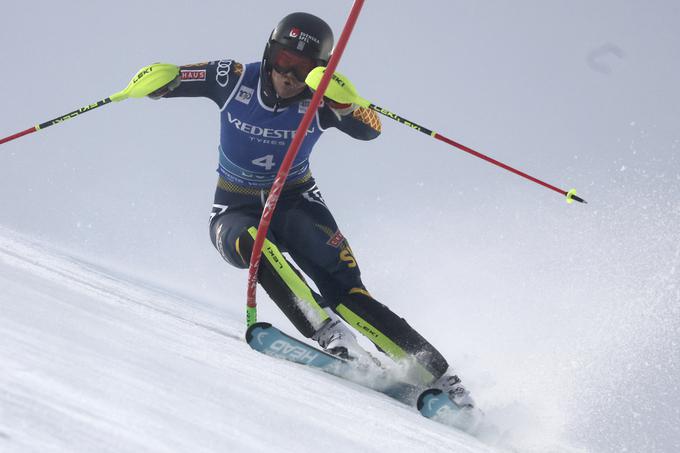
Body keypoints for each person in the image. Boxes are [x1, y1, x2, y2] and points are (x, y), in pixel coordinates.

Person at [147, 12, 474, 409]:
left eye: (302, 69)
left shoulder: (320, 100)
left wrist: (344, 102)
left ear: (318, 70)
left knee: (348, 294)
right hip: (235, 207)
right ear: (269, 54)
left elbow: (371, 127)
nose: (288, 76)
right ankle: (332, 336)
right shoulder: (231, 78)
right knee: (254, 244)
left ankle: (441, 378)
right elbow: (175, 79)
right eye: (283, 61)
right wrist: (157, 80)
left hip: (297, 202)